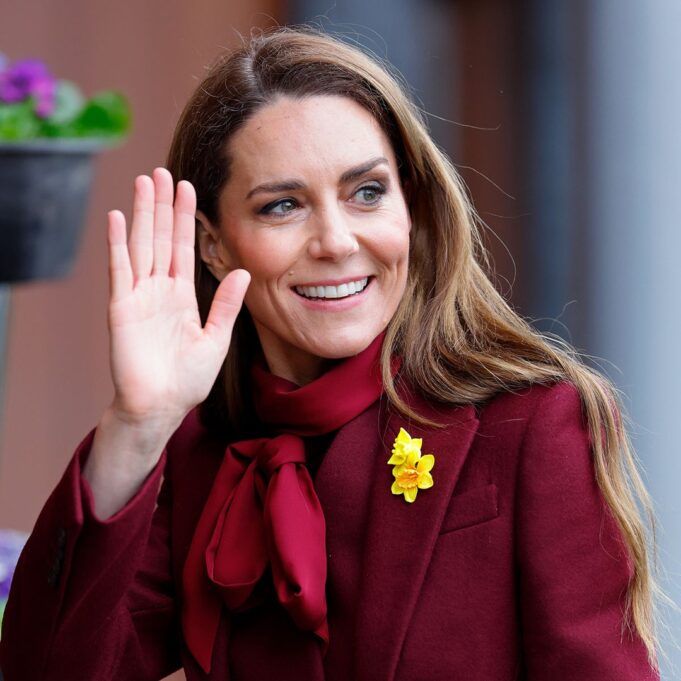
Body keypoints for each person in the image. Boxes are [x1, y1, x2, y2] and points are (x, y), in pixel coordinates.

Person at [0, 25, 663, 681]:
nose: (337, 241)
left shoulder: (531, 423)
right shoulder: (197, 454)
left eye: (366, 192)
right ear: (213, 245)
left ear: (411, 207)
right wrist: (136, 424)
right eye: (282, 206)